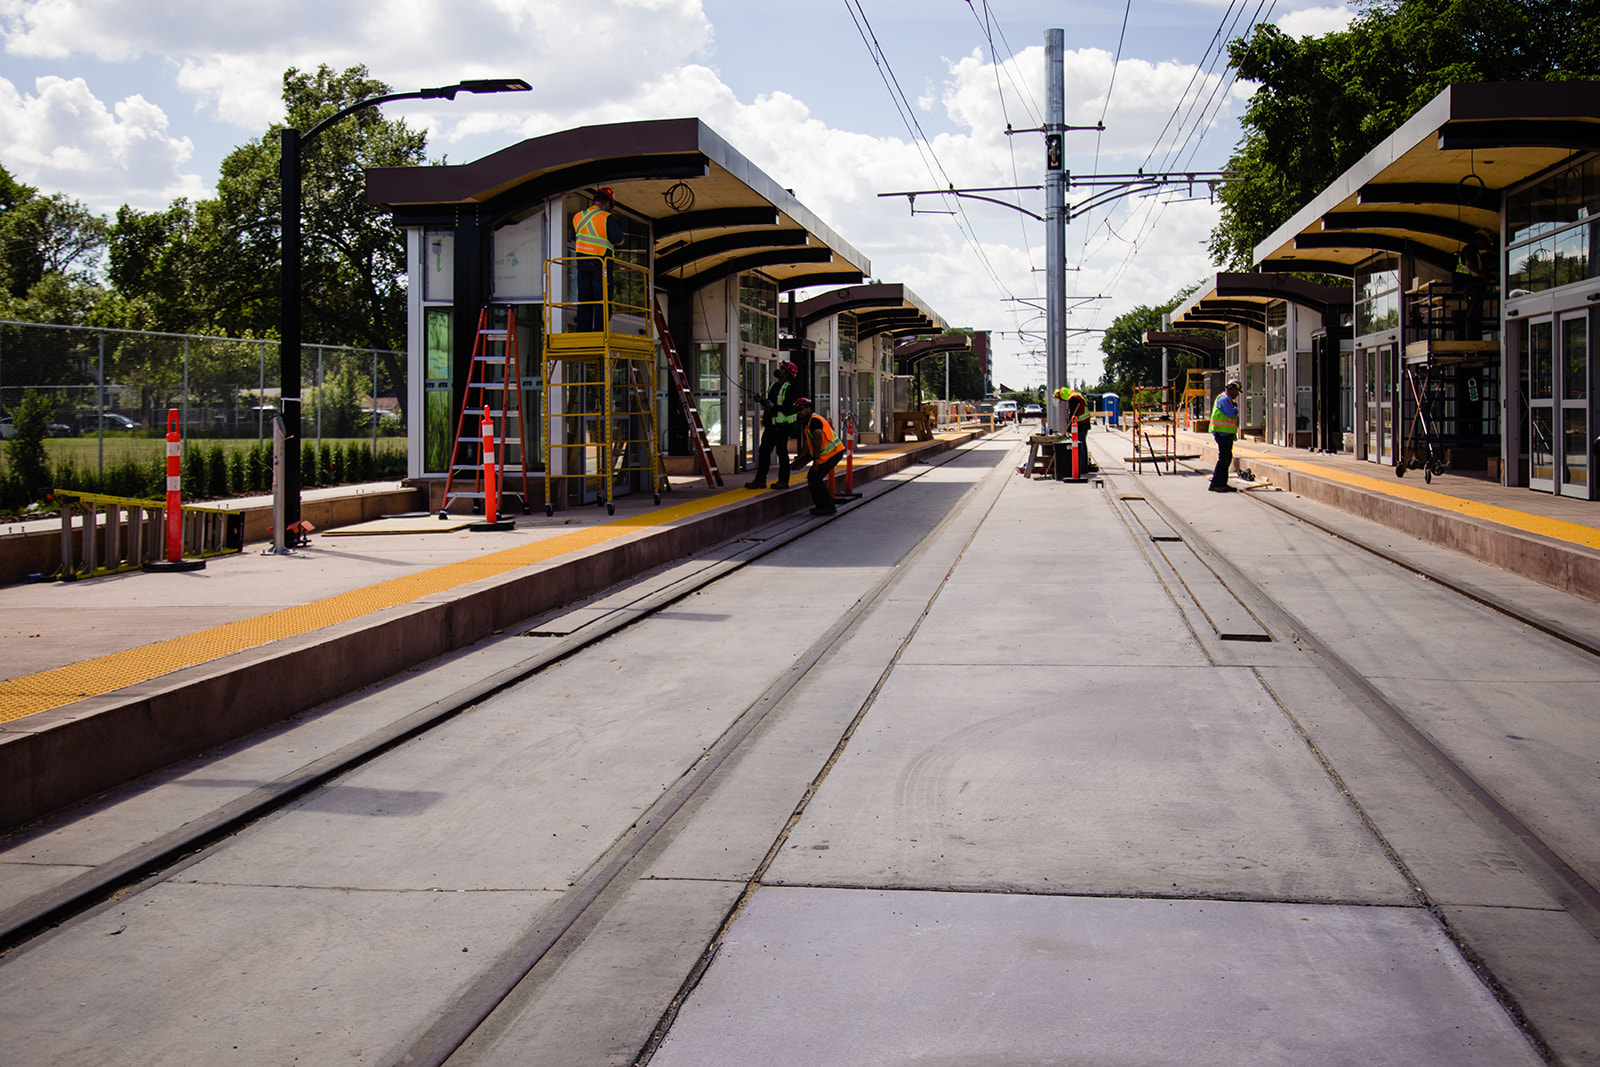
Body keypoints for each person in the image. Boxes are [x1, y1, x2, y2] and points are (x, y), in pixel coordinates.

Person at [572, 188, 621, 332]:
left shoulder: (578, 216)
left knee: (585, 298)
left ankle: (583, 331)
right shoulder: (606, 217)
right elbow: (619, 239)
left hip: (582, 263)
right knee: (602, 299)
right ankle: (601, 332)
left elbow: (573, 237)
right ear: (607, 204)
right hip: (601, 263)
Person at [747, 361, 799, 489]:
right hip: (771, 426)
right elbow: (771, 403)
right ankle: (760, 480)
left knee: (782, 454)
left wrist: (773, 406)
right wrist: (762, 401)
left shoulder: (789, 388)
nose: (779, 371)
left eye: (782, 369)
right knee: (763, 452)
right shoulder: (773, 386)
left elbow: (789, 408)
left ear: (787, 374)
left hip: (782, 427)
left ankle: (783, 481)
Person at [792, 396, 845, 516]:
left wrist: (816, 460)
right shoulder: (809, 422)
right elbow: (808, 445)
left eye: (801, 409)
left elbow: (817, 438)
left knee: (814, 477)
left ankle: (827, 507)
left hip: (833, 453)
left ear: (808, 409)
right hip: (830, 454)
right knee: (813, 477)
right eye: (797, 410)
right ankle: (823, 506)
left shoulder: (814, 421)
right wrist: (800, 460)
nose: (799, 412)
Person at [1210, 378, 1242, 493]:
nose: (1237, 394)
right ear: (1231, 389)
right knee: (1224, 458)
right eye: (1237, 391)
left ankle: (1222, 483)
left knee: (1227, 458)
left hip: (1226, 433)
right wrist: (1235, 408)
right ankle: (1216, 483)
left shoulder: (1227, 399)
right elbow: (1230, 412)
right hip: (1222, 433)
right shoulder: (1224, 399)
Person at [1054, 384, 1094, 474]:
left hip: (1081, 425)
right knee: (1082, 446)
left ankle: (1082, 468)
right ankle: (1083, 467)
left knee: (1080, 447)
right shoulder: (1076, 395)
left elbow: (1072, 415)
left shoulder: (1073, 398)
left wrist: (1069, 429)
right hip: (1084, 424)